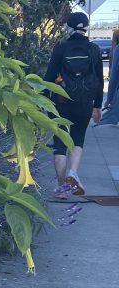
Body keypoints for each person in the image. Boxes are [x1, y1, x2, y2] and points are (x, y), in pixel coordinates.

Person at [44, 12, 103, 196]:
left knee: (60, 144)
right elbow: (100, 80)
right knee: (78, 139)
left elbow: (49, 76)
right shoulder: (93, 49)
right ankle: (73, 173)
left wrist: (42, 100)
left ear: (67, 27)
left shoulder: (61, 48)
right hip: (84, 103)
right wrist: (97, 105)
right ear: (86, 27)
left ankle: (61, 188)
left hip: (60, 102)